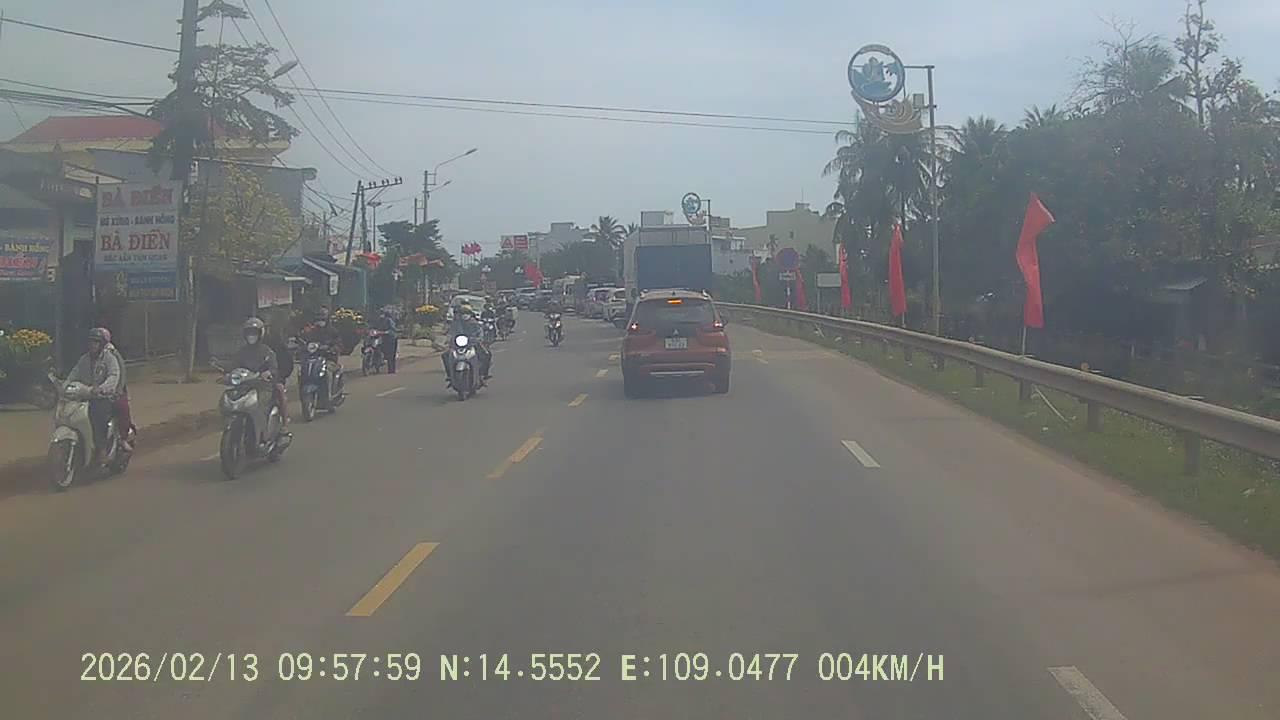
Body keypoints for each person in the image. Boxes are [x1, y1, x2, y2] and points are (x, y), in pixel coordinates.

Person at [67, 328, 126, 465]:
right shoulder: (84, 359)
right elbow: (74, 374)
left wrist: (102, 389)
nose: (92, 345)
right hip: (85, 395)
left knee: (98, 415)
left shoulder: (109, 358)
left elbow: (114, 375)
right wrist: (64, 386)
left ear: (101, 344)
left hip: (103, 397)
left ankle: (102, 449)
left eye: (96, 342)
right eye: (91, 342)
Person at [232, 317, 288, 425]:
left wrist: (268, 373)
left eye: (254, 333)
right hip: (244, 386)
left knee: (263, 403)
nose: (251, 336)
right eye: (249, 333)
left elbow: (274, 367)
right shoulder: (241, 352)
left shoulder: (267, 351)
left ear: (260, 334)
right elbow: (233, 365)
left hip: (263, 386)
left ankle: (282, 424)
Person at [444, 303, 491, 382]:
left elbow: (480, 333)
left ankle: (483, 374)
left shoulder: (475, 323)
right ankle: (449, 375)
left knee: (486, 354)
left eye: (466, 313)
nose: (464, 315)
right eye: (462, 313)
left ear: (470, 314)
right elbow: (450, 333)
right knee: (445, 355)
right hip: (457, 345)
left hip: (473, 344)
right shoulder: (456, 324)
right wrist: (448, 339)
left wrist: (479, 339)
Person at [373, 308, 399, 374]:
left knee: (391, 355)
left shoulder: (389, 320)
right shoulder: (377, 320)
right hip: (380, 338)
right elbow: (372, 327)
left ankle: (391, 370)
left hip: (390, 339)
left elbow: (392, 330)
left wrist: (385, 332)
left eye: (381, 313)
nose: (380, 315)